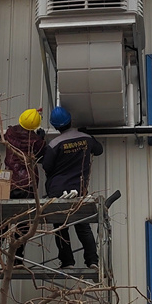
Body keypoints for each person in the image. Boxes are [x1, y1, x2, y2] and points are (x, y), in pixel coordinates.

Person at [42, 106, 103, 269]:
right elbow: (99, 150)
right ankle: (92, 261)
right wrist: (88, 136)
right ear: (70, 120)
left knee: (60, 227)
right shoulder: (86, 139)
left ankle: (67, 261)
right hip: (79, 189)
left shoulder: (54, 144)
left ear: (55, 126)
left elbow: (46, 166)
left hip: (58, 190)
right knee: (82, 225)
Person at [0, 108, 46, 269]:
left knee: (3, 222)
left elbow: (17, 131)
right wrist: (41, 137)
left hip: (10, 183)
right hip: (28, 185)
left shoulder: (10, 133)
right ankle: (17, 259)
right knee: (24, 224)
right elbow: (42, 153)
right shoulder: (35, 141)